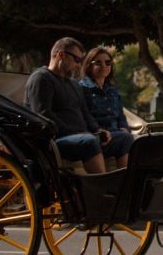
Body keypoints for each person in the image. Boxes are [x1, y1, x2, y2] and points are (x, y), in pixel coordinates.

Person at [25, 37, 111, 174]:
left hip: (81, 136)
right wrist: (77, 133)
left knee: (124, 139)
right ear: (61, 55)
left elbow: (85, 113)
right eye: (77, 60)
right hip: (56, 140)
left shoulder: (74, 84)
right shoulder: (41, 78)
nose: (78, 65)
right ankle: (102, 191)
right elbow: (43, 115)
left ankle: (126, 189)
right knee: (89, 142)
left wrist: (98, 130)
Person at [78, 46, 134, 169]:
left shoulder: (112, 90)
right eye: (98, 63)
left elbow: (120, 115)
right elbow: (83, 117)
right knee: (126, 139)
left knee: (137, 140)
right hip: (99, 137)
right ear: (89, 65)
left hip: (116, 134)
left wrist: (124, 127)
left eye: (108, 62)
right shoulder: (81, 89)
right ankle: (124, 182)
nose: (104, 66)